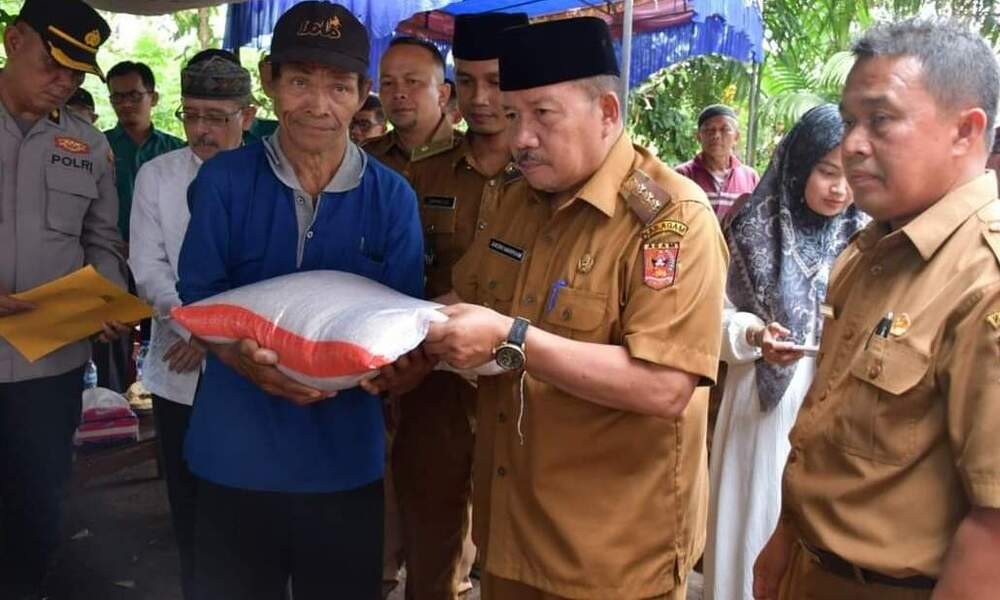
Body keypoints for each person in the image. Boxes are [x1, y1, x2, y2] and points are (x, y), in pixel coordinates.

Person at [373, 16, 729, 599]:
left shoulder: (669, 220)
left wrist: (512, 339)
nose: (521, 138)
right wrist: (402, 346)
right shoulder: (520, 199)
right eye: (513, 116)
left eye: (543, 114)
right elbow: (468, 298)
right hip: (512, 536)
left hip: (610, 557)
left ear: (607, 112)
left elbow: (665, 385)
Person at [177, 3, 424, 599]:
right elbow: (197, 297)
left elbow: (405, 317)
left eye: (338, 86)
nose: (318, 104)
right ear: (269, 80)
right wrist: (237, 357)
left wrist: (399, 370)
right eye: (299, 82)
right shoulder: (224, 182)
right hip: (234, 455)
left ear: (362, 92)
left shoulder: (392, 198)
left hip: (343, 465)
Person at [754, 18, 1000, 600]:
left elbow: (994, 526)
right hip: (813, 568)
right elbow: (827, 428)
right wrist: (787, 539)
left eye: (881, 120)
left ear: (965, 132)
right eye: (849, 122)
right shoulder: (871, 252)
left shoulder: (983, 277)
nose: (852, 145)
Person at [385, 12, 528, 600]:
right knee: (431, 534)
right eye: (467, 81)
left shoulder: (550, 174)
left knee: (518, 545)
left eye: (497, 81)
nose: (481, 98)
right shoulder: (423, 174)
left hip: (519, 383)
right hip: (433, 384)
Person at [704, 104, 867, 600]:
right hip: (761, 407)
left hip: (840, 408)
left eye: (850, 175)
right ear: (798, 166)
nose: (839, 189)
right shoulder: (751, 228)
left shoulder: (867, 239)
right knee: (752, 525)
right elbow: (711, 318)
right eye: (827, 172)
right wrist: (756, 336)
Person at [0, 0, 128, 596]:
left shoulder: (88, 145)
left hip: (48, 366)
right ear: (13, 40)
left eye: (77, 72)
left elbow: (103, 240)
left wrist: (108, 297)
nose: (65, 82)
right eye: (54, 63)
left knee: (38, 501)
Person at [129, 54, 256, 600]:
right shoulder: (157, 176)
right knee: (189, 497)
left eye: (217, 117)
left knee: (249, 497)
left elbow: (267, 274)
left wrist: (215, 336)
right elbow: (148, 265)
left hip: (250, 361)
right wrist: (192, 327)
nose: (201, 129)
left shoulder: (270, 174)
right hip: (177, 358)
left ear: (247, 115)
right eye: (192, 115)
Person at [105, 61, 186, 242]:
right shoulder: (98, 146)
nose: (126, 104)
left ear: (154, 98)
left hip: (165, 248)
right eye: (117, 97)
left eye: (134, 96)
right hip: (109, 249)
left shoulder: (177, 149)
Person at [367, 37, 453, 175]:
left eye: (412, 81)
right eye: (387, 83)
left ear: (442, 94)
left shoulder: (470, 159)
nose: (398, 93)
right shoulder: (365, 159)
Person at [676, 104, 759, 221]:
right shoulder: (682, 175)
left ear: (736, 137)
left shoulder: (750, 177)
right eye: (709, 130)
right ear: (698, 136)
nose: (716, 135)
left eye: (725, 129)